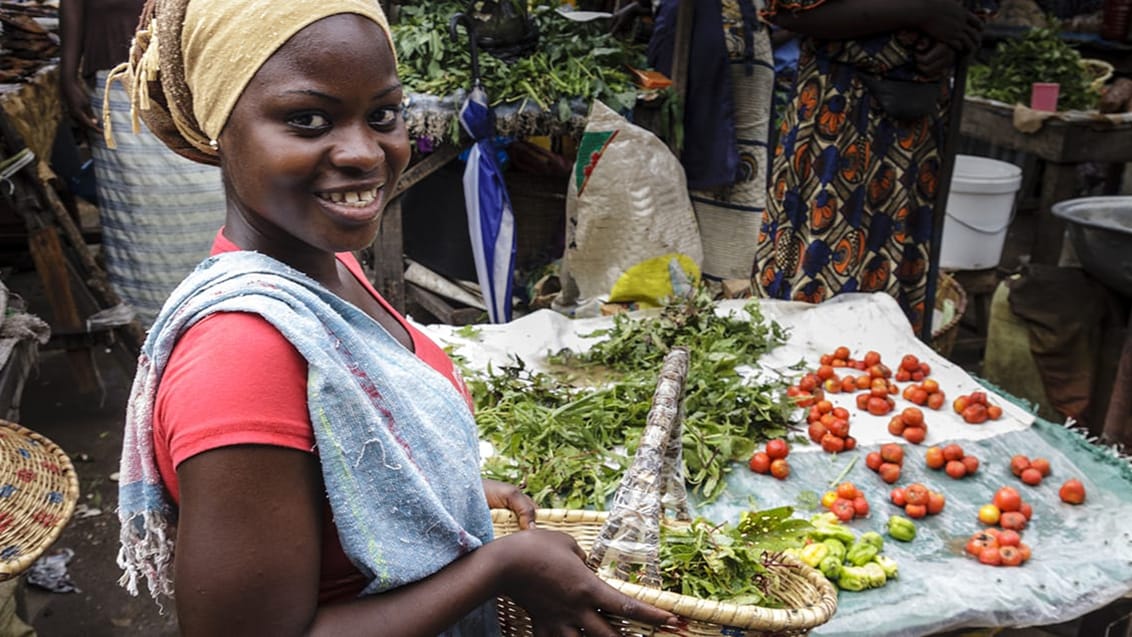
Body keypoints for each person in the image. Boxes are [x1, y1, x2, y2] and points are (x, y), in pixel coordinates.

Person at [112, 1, 678, 635]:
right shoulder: (241, 357)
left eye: (382, 114)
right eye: (307, 120)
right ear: (220, 130)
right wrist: (496, 570)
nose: (364, 152)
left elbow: (328, 476)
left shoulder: (330, 270)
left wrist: (428, 494)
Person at [753, 0, 984, 333]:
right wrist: (918, 11)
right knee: (809, 275)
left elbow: (972, 20)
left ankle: (881, 371)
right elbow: (790, 12)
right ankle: (801, 373)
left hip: (917, 127)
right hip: (835, 116)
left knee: (894, 281)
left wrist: (951, 43)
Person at [59, 0, 225, 327]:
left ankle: (219, 311)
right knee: (140, 210)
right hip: (121, 80)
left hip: (199, 70)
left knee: (213, 198)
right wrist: (67, 75)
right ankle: (149, 327)